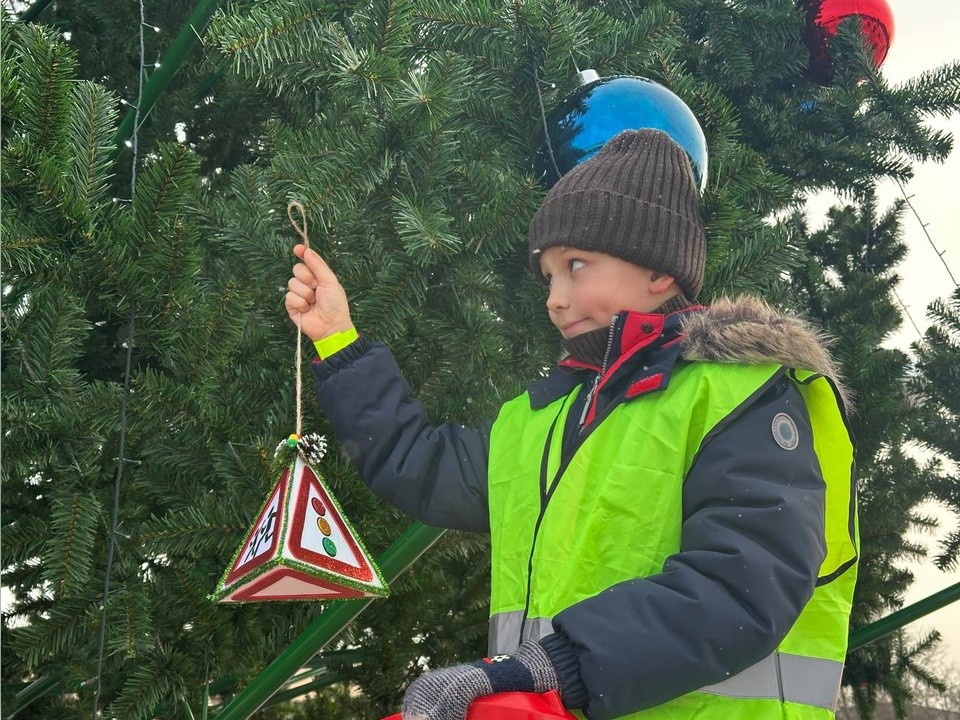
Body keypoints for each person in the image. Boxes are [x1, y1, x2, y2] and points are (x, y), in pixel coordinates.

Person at [284, 129, 858, 720]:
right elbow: (417, 464)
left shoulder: (741, 394)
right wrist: (337, 340)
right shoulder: (539, 421)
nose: (555, 298)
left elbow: (743, 582)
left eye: (576, 266)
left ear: (658, 271)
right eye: (549, 276)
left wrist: (551, 668)